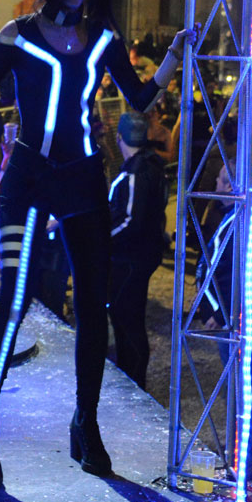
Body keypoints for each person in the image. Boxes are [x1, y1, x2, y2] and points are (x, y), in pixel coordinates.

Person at [0, 0, 197, 485]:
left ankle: (85, 423)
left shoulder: (100, 39)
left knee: (94, 305)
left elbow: (139, 99)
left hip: (83, 183)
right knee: (14, 301)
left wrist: (170, 59)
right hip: (26, 180)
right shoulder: (17, 35)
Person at [107, 111, 168, 390]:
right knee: (128, 315)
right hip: (141, 254)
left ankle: (132, 381)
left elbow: (130, 220)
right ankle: (132, 377)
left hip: (129, 257)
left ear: (120, 137)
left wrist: (102, 240)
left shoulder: (134, 173)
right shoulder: (152, 166)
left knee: (126, 317)